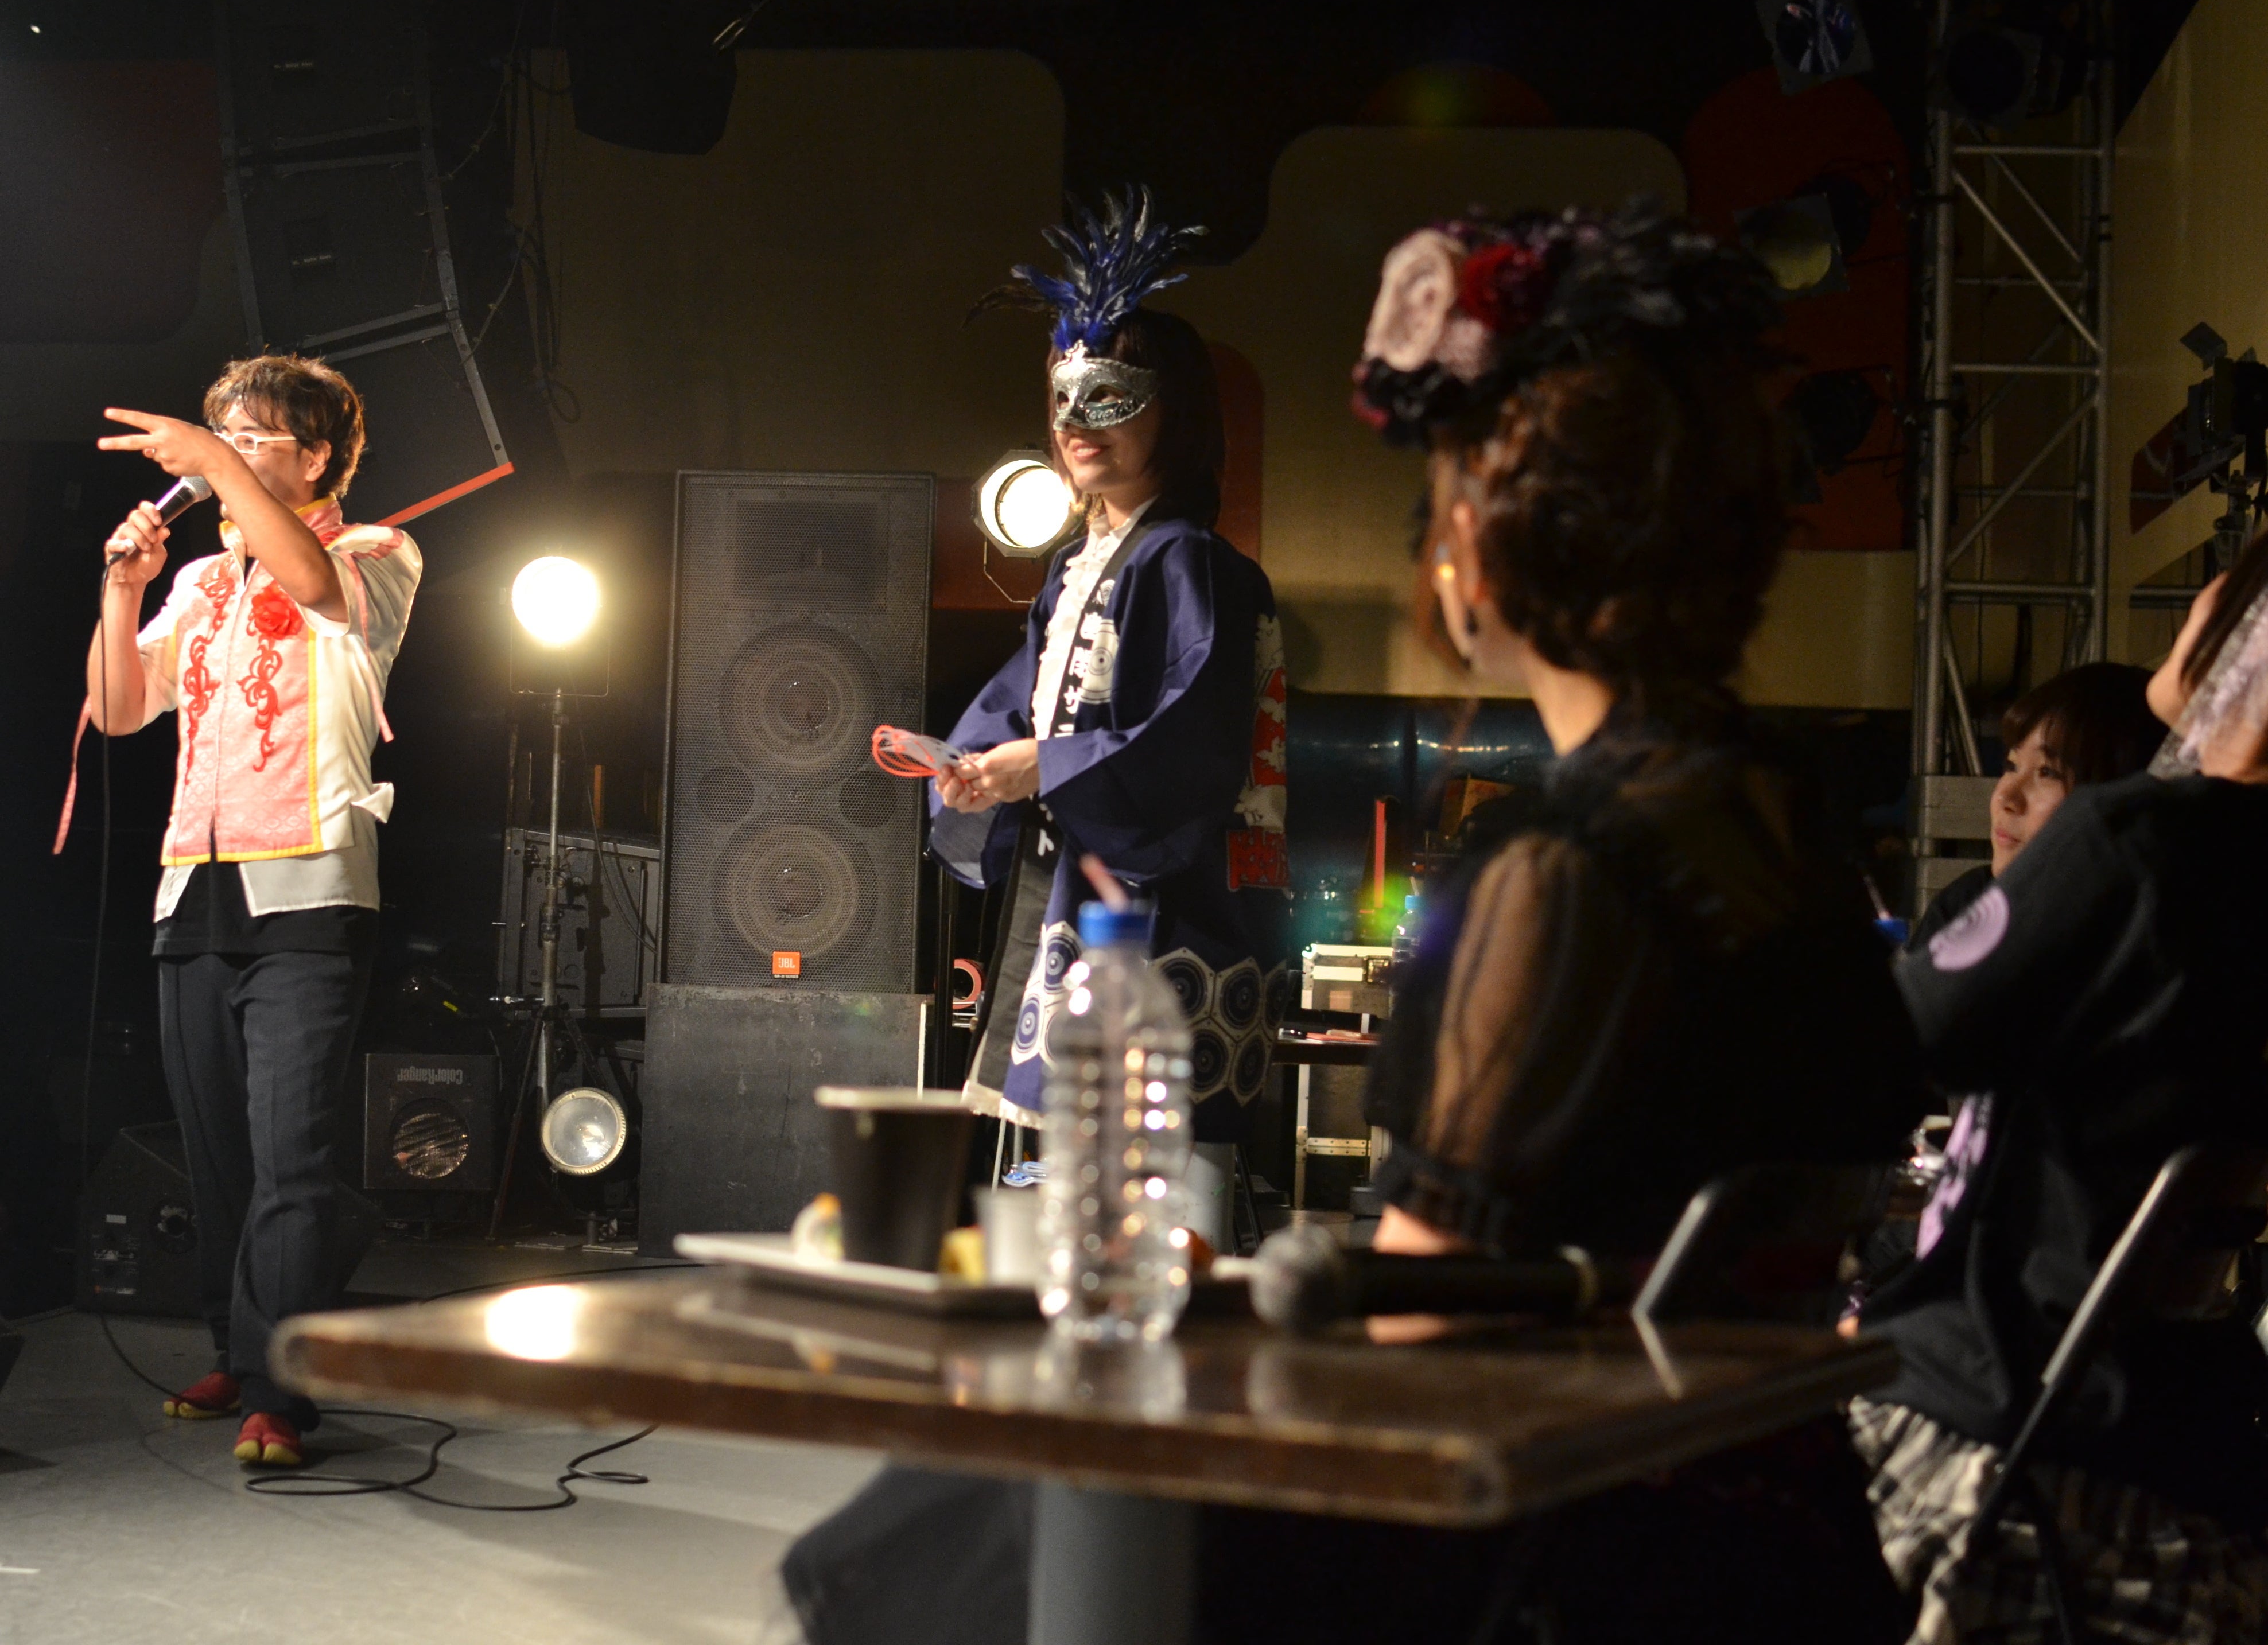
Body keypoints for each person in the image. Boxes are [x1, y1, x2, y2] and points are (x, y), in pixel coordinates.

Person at [780, 204, 1924, 1645]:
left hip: (1568, 1524)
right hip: (1779, 1517)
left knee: (923, 1531)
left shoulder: (1561, 878)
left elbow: (1430, 1313)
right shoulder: (1800, 843)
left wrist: (1229, 1326)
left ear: (1479, 555)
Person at [1849, 543, 2268, 1643]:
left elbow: (1881, 1057)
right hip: (2186, 1437)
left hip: (1985, 1410)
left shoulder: (2133, 838)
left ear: (2241, 632)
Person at [71, 352, 422, 1469]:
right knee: (215, 1150)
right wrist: (126, 587)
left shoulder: (375, 552)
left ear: (316, 458)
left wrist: (214, 466)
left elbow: (313, 589)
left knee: (290, 1153)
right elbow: (118, 709)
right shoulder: (204, 582)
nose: (230, 454)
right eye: (225, 435)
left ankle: (283, 1388)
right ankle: (234, 1349)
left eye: (255, 438)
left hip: (309, 890)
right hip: (196, 889)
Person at [934, 186, 1289, 1151]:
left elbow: (1193, 743)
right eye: (1063, 398)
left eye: (1110, 397)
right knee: (1061, 1155)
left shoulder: (1193, 565)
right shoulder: (1074, 568)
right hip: (1073, 883)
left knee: (1136, 1164)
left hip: (1160, 905)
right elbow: (1018, 703)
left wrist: (1045, 767)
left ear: (1173, 413)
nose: (1076, 420)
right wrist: (976, 767)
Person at [1908, 661, 2169, 948]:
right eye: (2012, 765)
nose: (2005, 798)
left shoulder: (2148, 944)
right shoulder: (1967, 905)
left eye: (2047, 772)